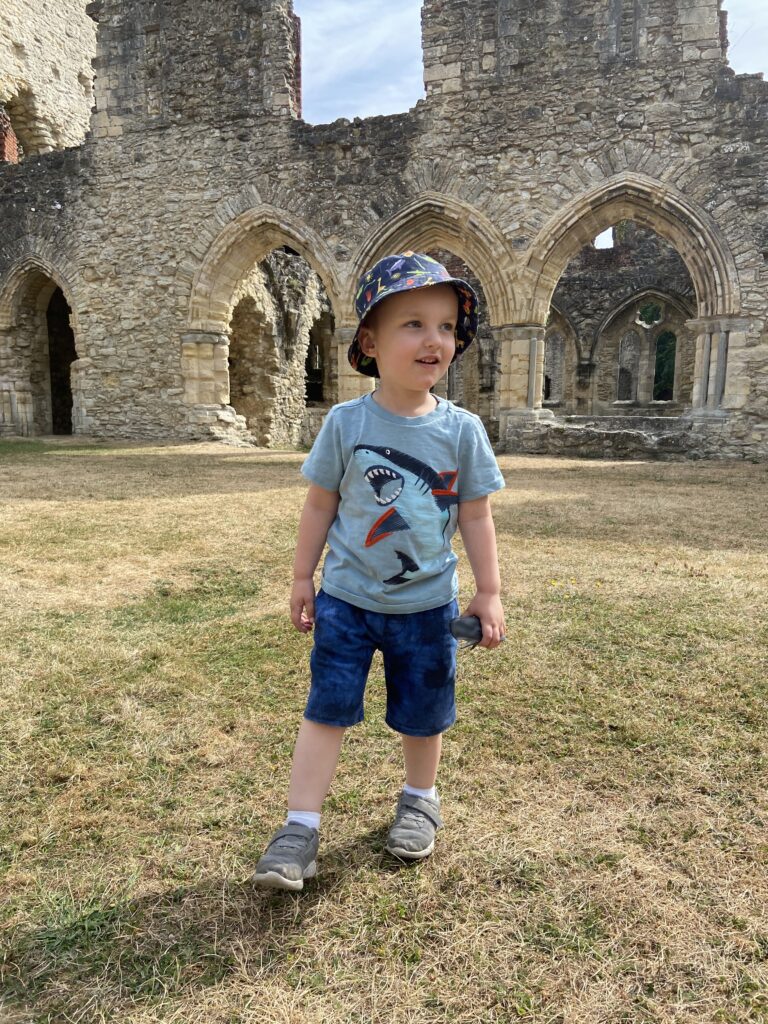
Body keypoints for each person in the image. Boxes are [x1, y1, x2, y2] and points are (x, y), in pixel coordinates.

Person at [252, 251, 505, 891]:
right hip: (346, 600)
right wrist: (301, 577)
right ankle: (299, 828)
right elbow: (319, 505)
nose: (435, 340)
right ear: (370, 341)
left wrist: (490, 591)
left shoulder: (462, 431)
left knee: (425, 713)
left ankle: (420, 798)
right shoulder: (346, 422)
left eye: (447, 326)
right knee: (326, 710)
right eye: (414, 323)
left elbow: (474, 517)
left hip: (427, 609)